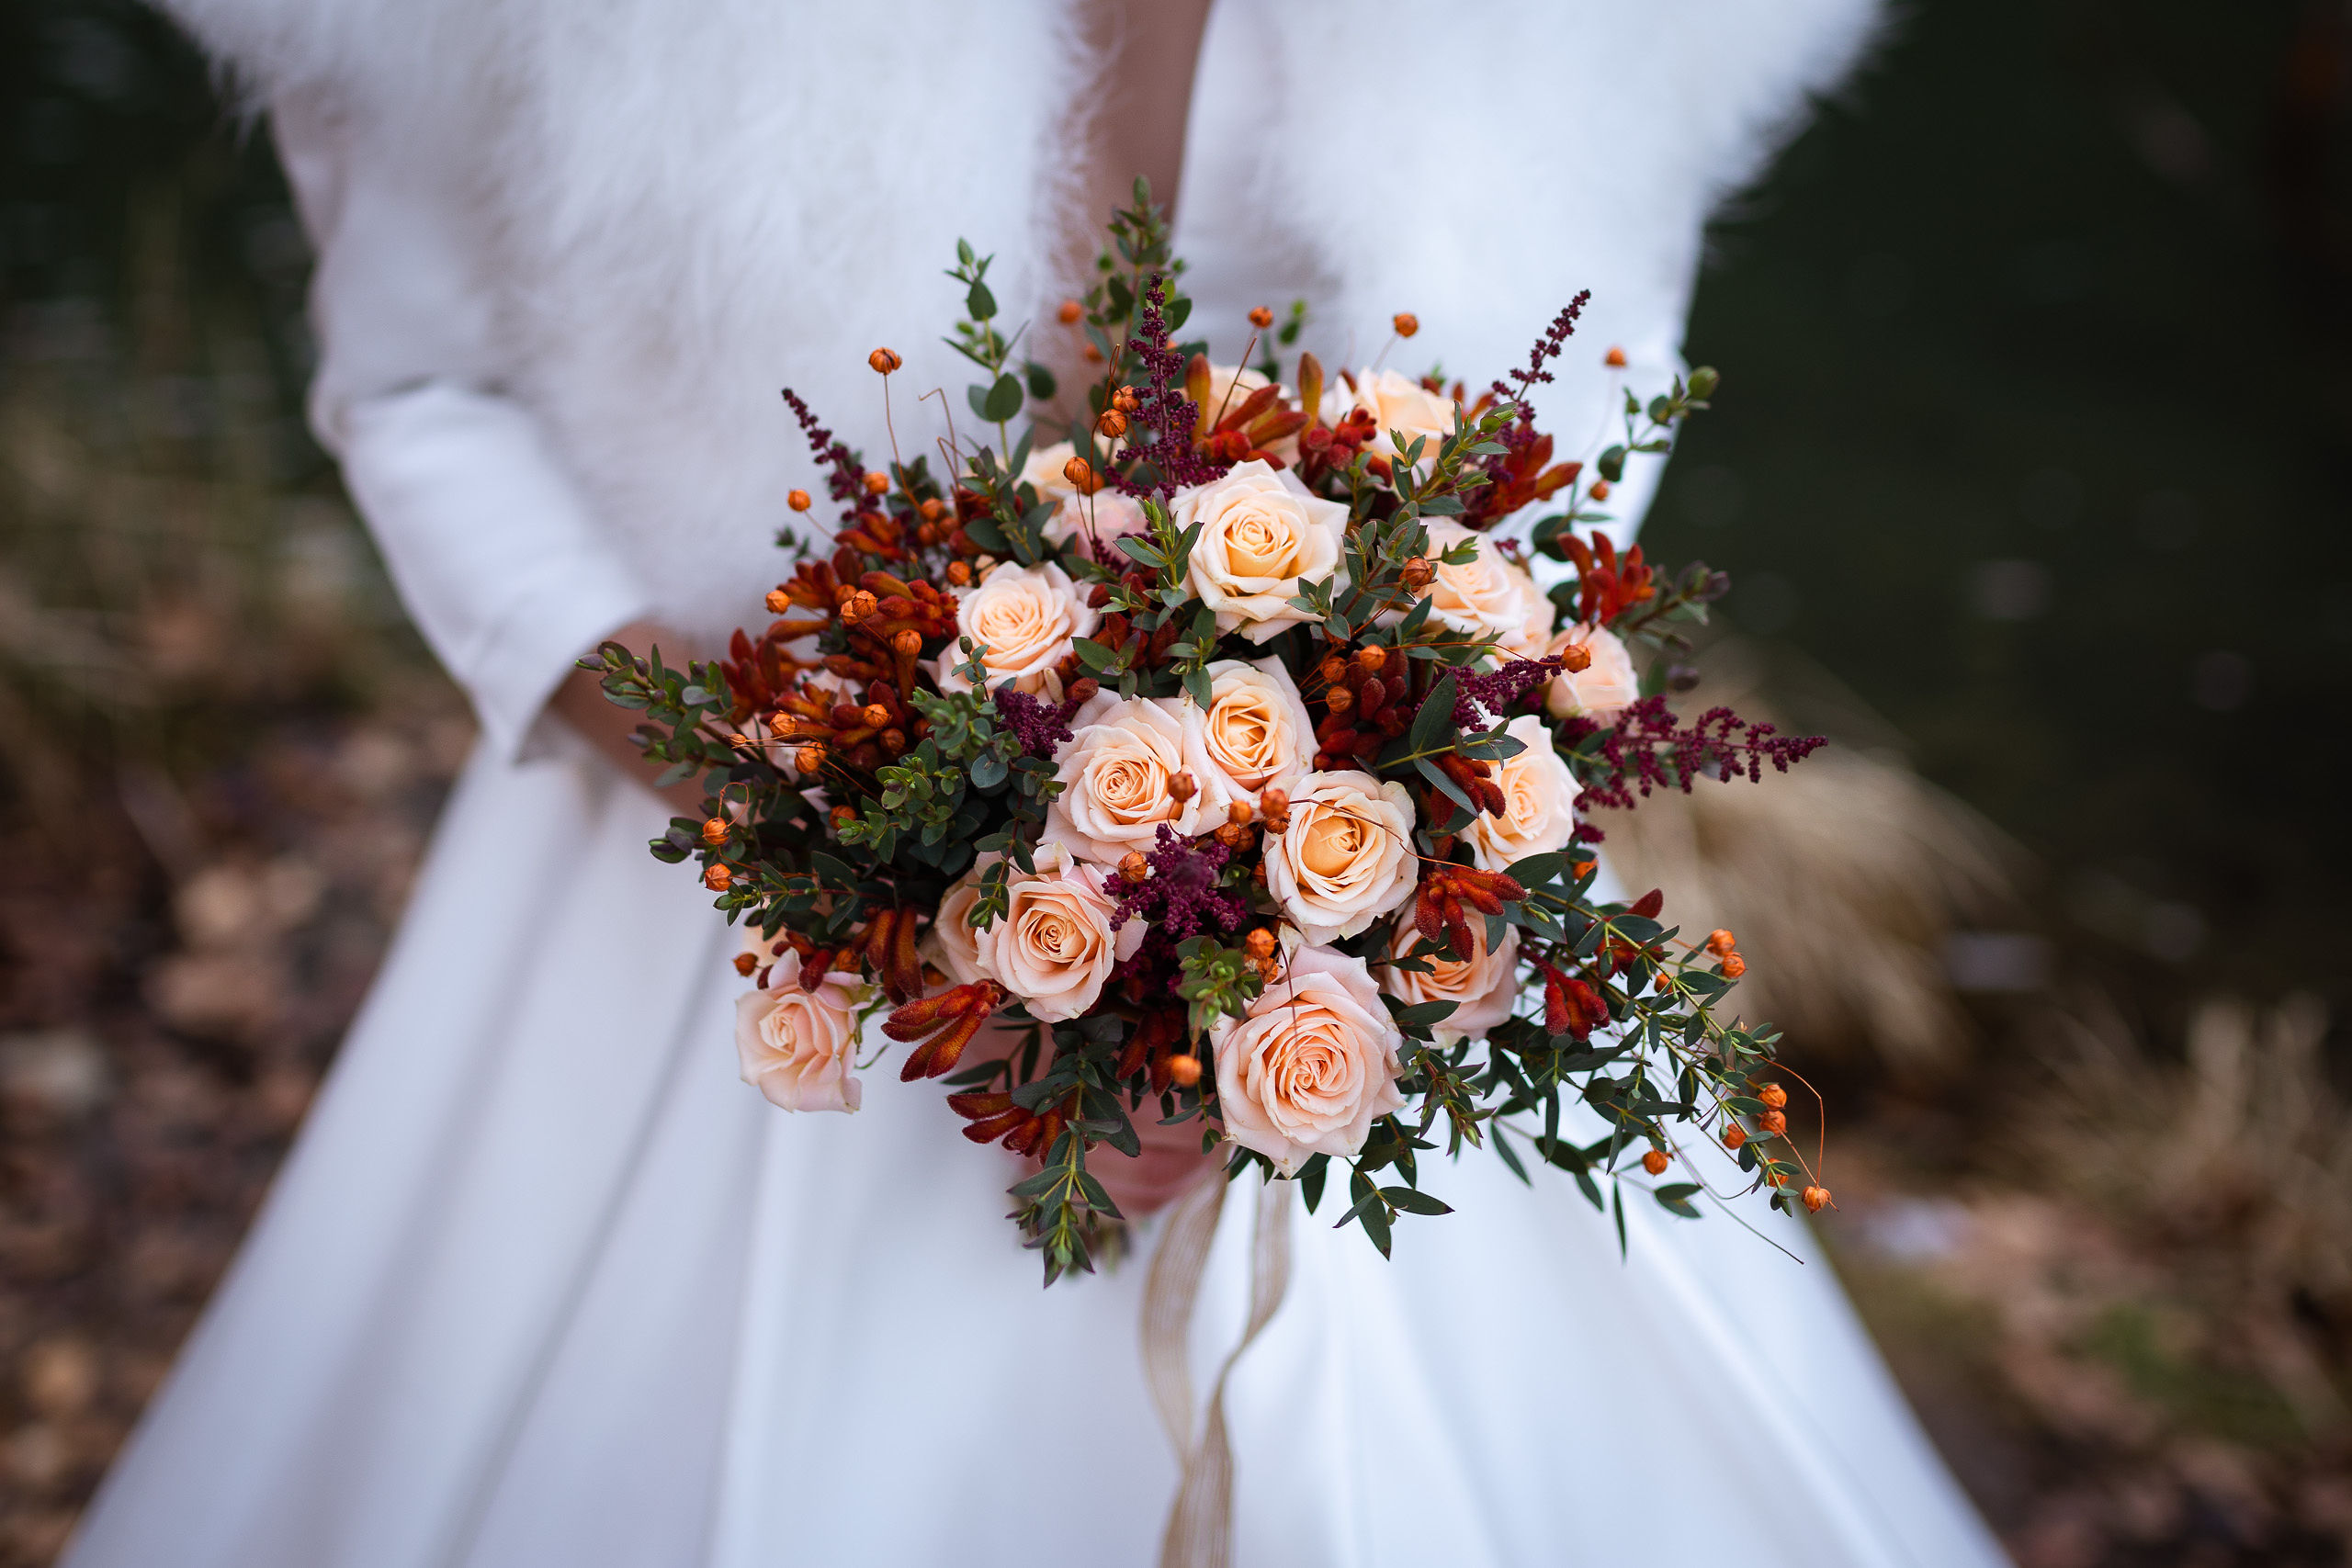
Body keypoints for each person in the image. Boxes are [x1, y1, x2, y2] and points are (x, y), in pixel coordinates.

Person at [66, 2, 2007, 1564]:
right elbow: (423, 391)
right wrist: (802, 811)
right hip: (704, 905)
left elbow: (1589, 363)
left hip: (1359, 904)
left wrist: (1343, 862)